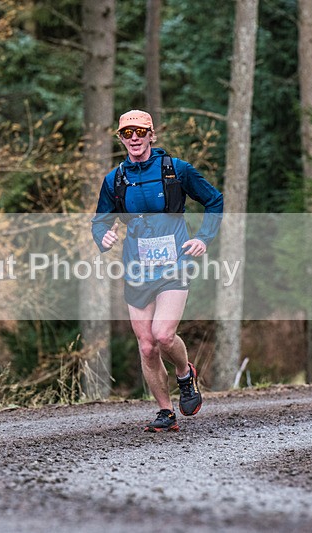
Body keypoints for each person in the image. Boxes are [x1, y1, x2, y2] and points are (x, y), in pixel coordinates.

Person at [91, 109, 223, 432]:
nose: (134, 138)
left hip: (174, 263)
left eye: (140, 132)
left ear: (152, 135)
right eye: (127, 134)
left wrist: (204, 238)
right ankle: (166, 412)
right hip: (136, 268)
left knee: (163, 335)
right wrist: (103, 236)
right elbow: (100, 221)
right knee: (147, 344)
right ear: (121, 139)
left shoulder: (175, 170)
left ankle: (184, 373)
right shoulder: (115, 180)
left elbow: (214, 200)